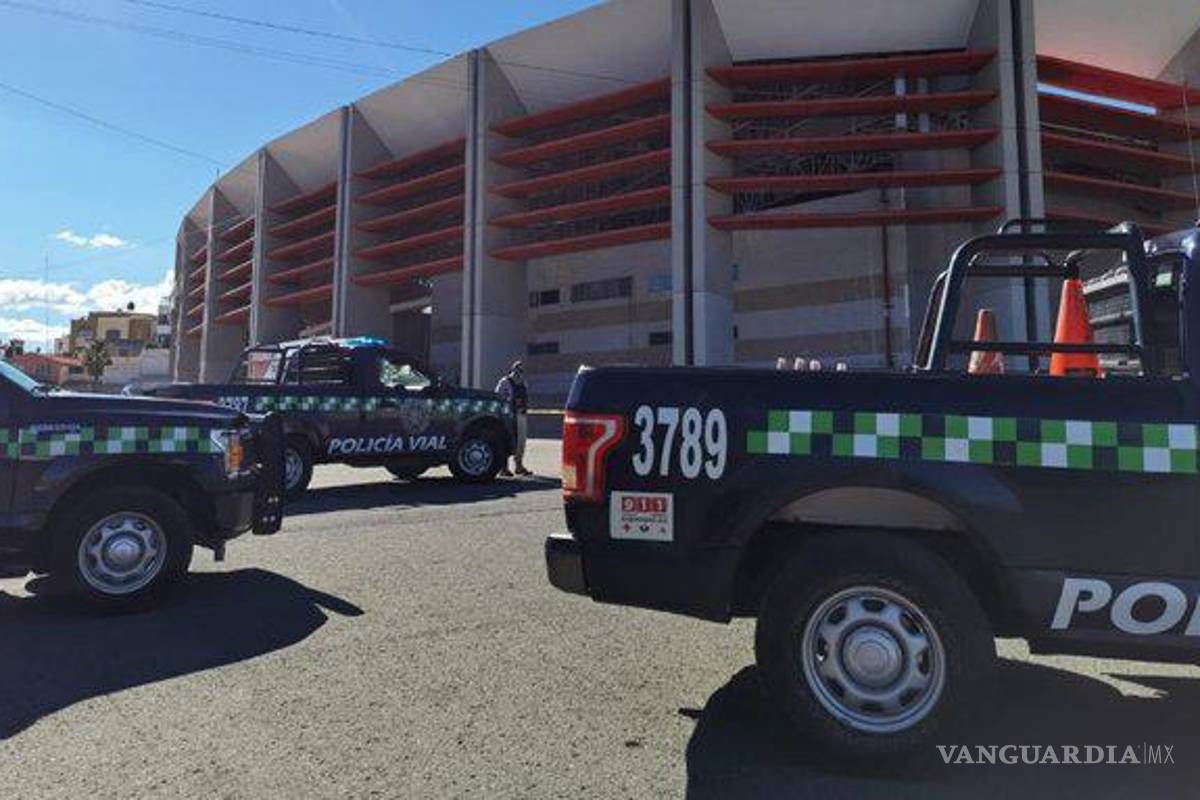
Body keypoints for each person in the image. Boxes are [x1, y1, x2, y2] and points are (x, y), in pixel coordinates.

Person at [495, 360, 531, 476]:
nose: (519, 373)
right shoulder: (505, 382)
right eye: (517, 370)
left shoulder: (524, 383)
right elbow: (498, 397)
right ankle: (503, 468)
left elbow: (525, 398)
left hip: (521, 415)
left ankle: (519, 466)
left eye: (521, 370)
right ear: (513, 369)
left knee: (521, 442)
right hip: (508, 416)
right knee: (507, 441)